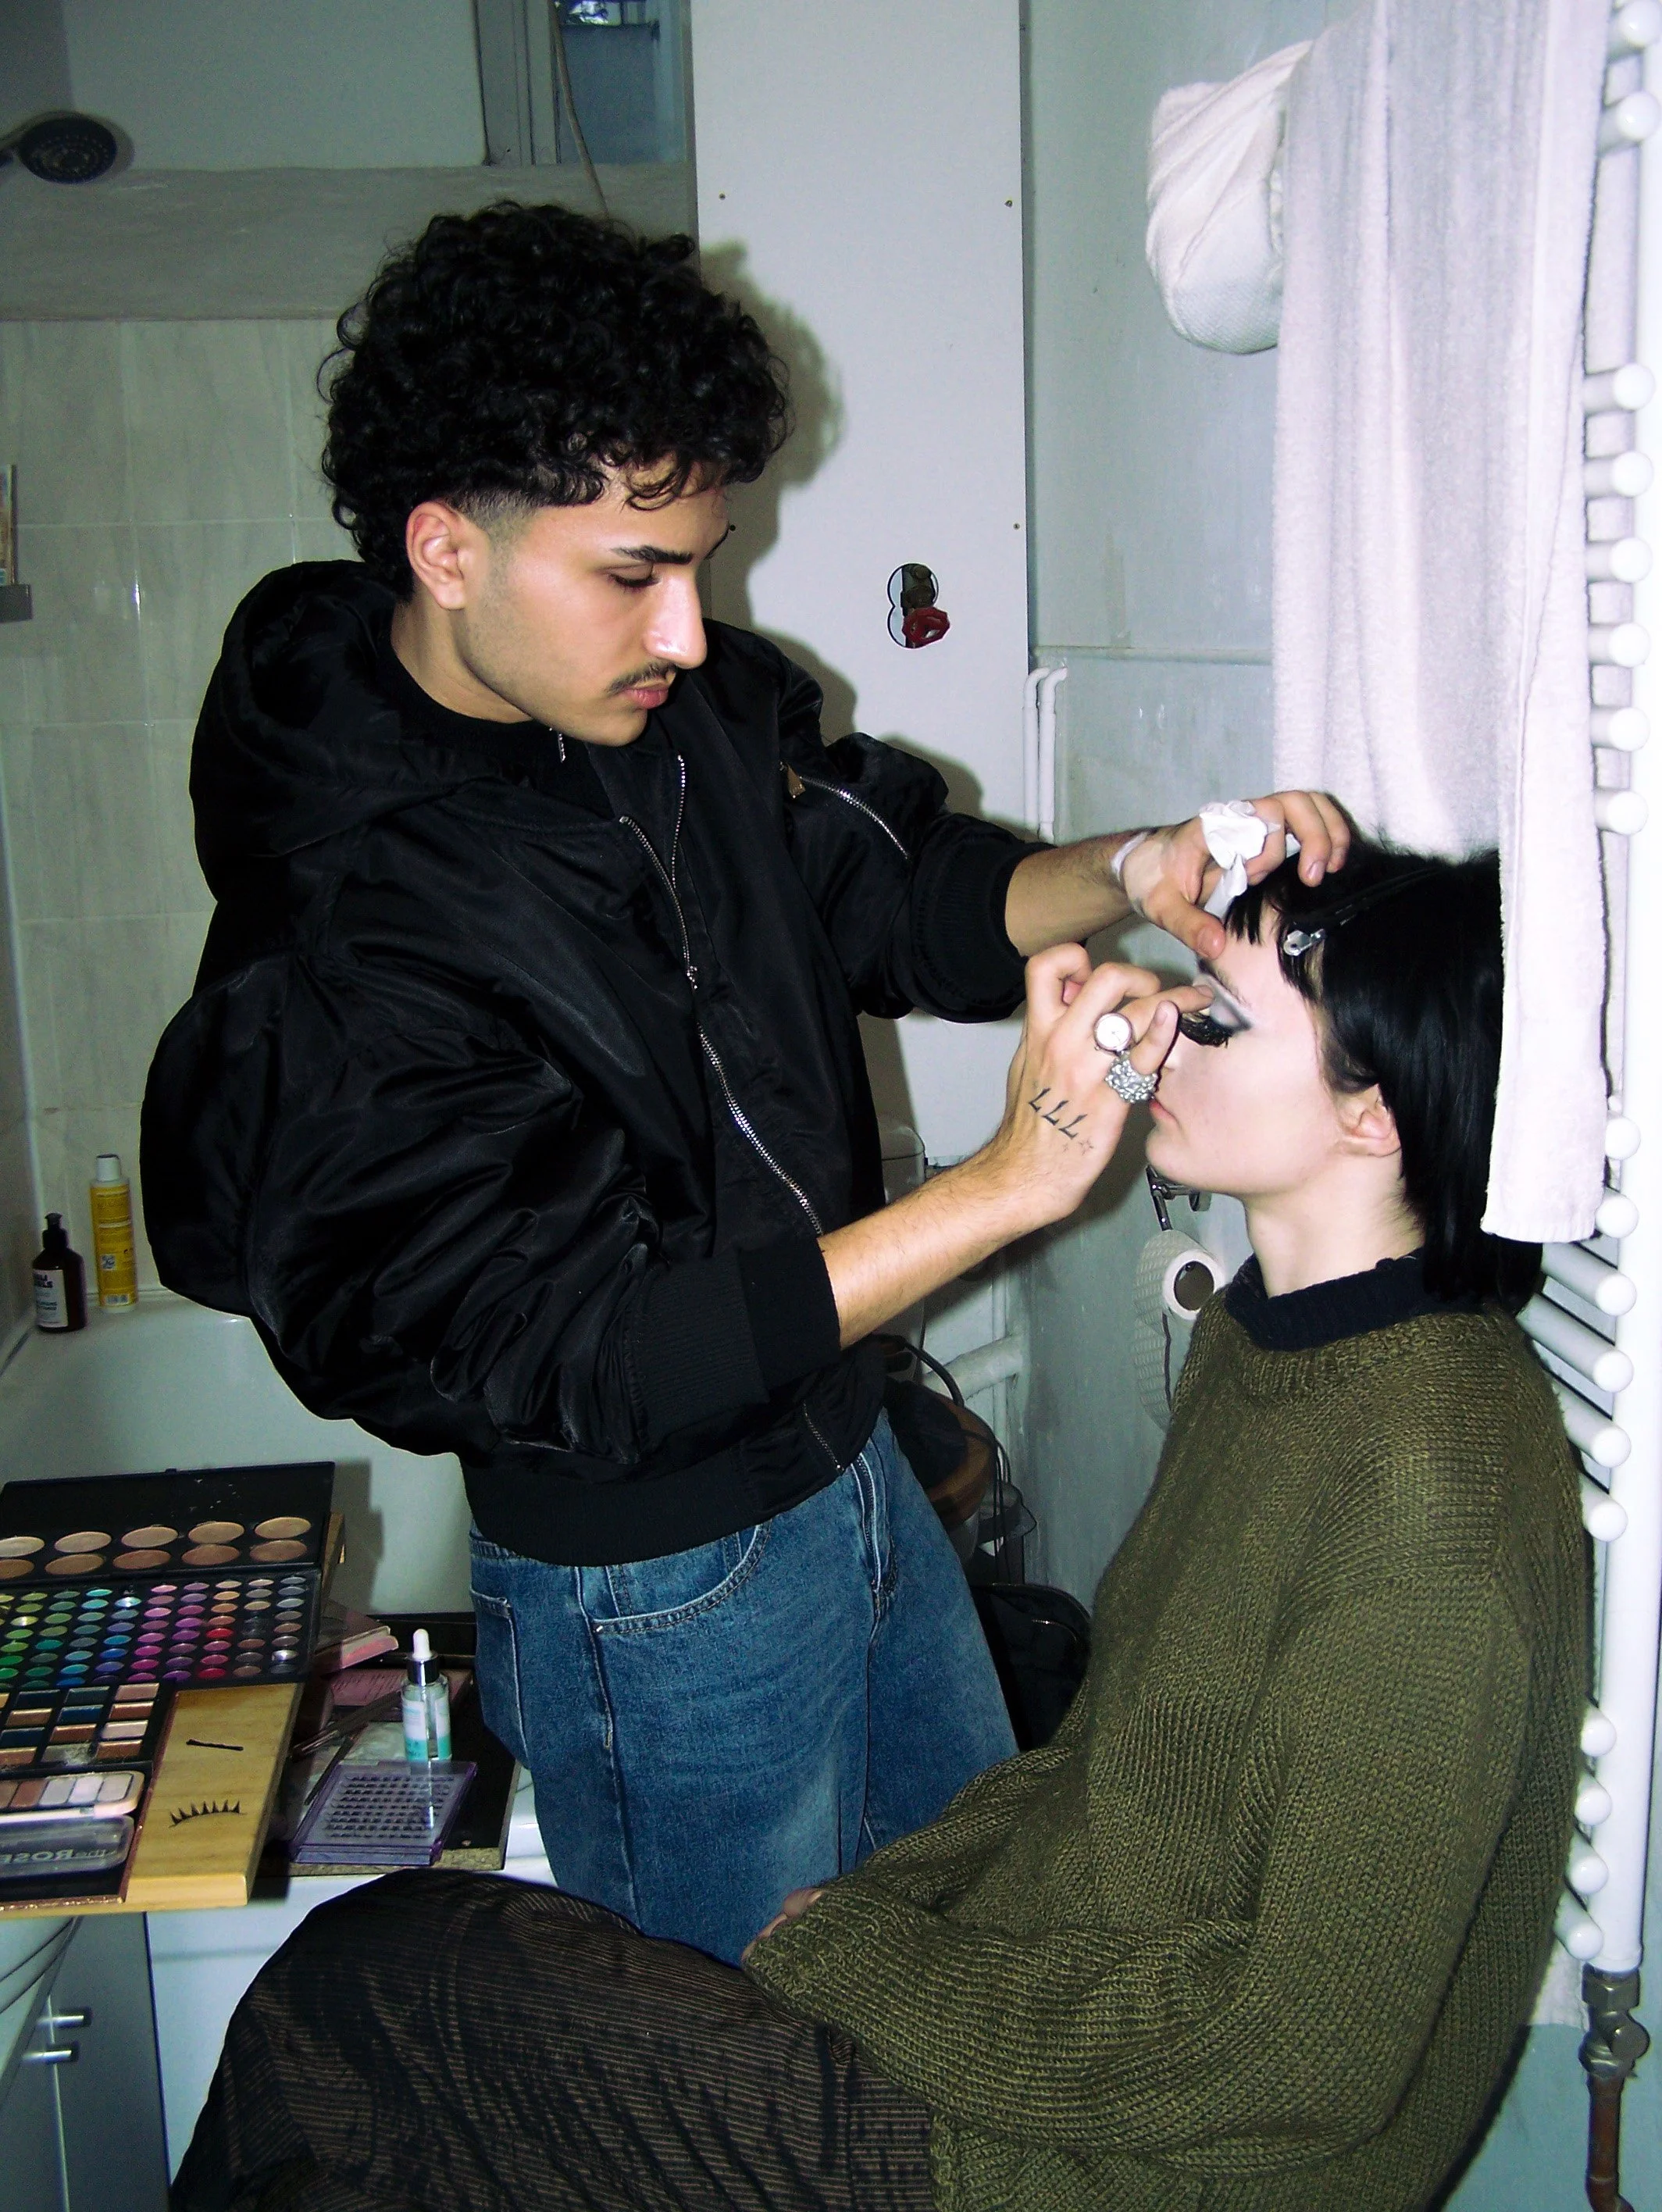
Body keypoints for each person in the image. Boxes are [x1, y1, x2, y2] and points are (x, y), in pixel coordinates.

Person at [141, 197, 1346, 1964]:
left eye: (701, 563)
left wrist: (1140, 863)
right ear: (447, 550)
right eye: (633, 572)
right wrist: (1004, 1189)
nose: (690, 631)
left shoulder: (668, 719)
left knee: (962, 1963)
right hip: (651, 1592)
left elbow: (897, 891)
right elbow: (592, 1357)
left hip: (845, 1471)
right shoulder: (356, 922)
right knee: (727, 2089)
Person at [173, 840, 1585, 2212]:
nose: (1158, 1032)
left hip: (1120, 2169)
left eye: (1215, 1019)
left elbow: (1299, 2062)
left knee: (347, 2008)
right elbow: (1101, 1762)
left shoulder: (1429, 1501)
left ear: (1374, 1112)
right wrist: (857, 1933)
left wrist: (865, 1960)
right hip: (1047, 2035)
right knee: (386, 2003)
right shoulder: (1271, 1348)